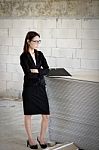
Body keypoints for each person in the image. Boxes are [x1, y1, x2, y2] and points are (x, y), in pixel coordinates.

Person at [20, 31, 50, 149]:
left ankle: (41, 137)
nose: (38, 43)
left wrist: (37, 71)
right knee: (28, 115)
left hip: (41, 87)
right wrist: (38, 72)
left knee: (46, 115)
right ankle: (31, 139)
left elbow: (47, 70)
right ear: (28, 41)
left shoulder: (40, 54)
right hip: (29, 88)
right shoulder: (23, 56)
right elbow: (28, 73)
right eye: (35, 41)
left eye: (39, 41)